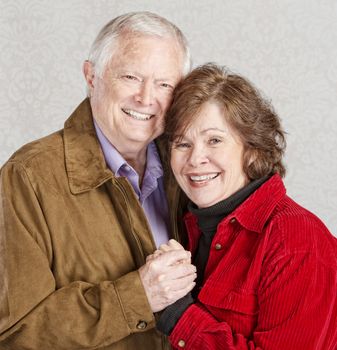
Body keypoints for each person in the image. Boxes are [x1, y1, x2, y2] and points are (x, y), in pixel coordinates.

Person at [0, 12, 197, 350]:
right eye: (131, 76)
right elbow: (15, 334)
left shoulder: (192, 170)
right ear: (92, 76)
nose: (146, 97)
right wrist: (139, 296)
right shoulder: (28, 177)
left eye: (164, 84)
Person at [154, 63, 337, 349]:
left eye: (214, 140)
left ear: (251, 149)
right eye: (182, 144)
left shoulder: (297, 240)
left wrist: (179, 315)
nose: (195, 159)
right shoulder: (190, 224)